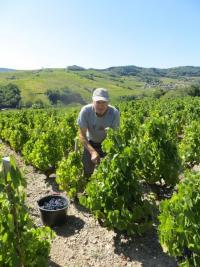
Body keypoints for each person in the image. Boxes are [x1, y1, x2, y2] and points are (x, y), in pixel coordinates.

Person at [77, 88, 120, 177]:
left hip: (107, 144)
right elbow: (82, 135)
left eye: (104, 102)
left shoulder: (114, 113)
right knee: (87, 171)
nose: (100, 106)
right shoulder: (85, 111)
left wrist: (108, 153)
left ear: (108, 102)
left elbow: (114, 136)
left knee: (110, 172)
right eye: (98, 102)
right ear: (93, 101)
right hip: (90, 143)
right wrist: (92, 152)